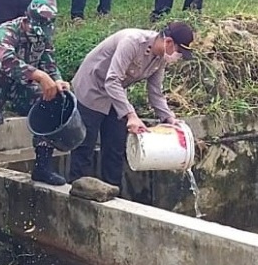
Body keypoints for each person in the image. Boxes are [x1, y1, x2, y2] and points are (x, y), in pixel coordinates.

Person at [68, 22, 194, 189]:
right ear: (168, 42)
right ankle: (78, 191)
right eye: (178, 52)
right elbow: (112, 79)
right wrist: (131, 115)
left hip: (115, 95)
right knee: (85, 144)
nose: (177, 57)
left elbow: (155, 91)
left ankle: (112, 192)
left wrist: (168, 117)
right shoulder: (133, 42)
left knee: (116, 146)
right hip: (92, 87)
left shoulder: (160, 58)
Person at [0, 0, 70, 185]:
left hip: (21, 86)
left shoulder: (43, 37)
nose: (40, 36)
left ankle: (42, 166)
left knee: (47, 105)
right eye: (38, 31)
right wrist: (40, 76)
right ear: (27, 21)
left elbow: (48, 61)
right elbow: (7, 61)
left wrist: (57, 80)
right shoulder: (7, 31)